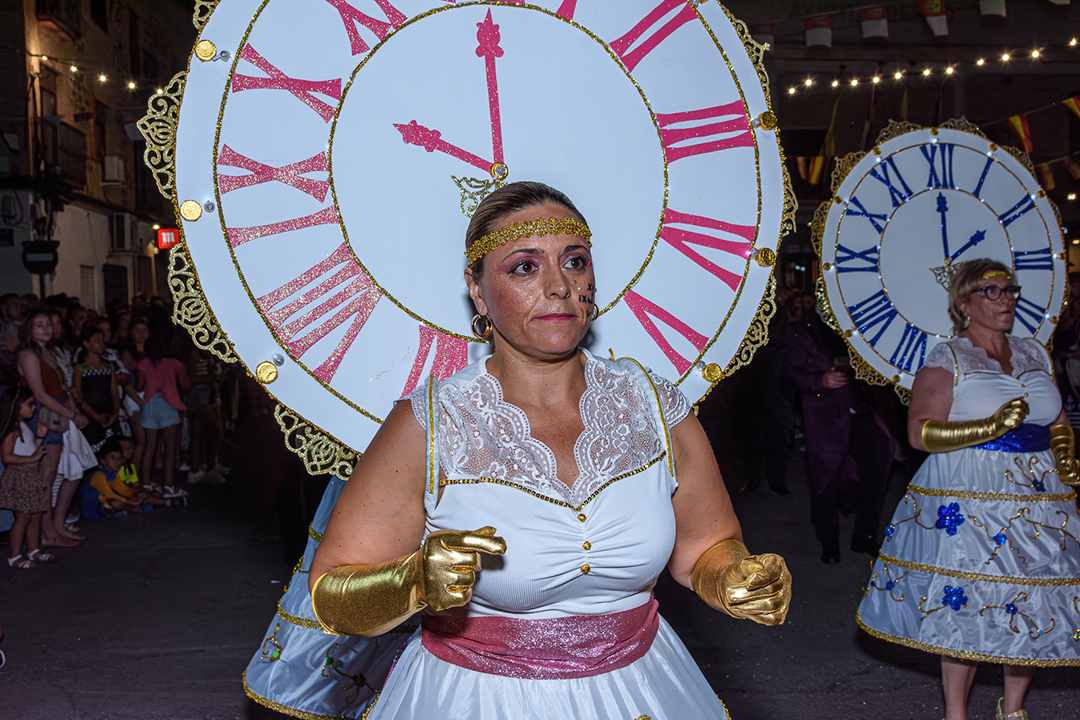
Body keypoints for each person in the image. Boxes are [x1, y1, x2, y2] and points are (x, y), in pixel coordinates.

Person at [307, 182, 792, 719]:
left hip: (643, 692)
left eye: (575, 261)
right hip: (475, 701)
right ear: (477, 288)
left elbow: (708, 545)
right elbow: (333, 592)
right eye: (524, 268)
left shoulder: (654, 406)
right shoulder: (430, 425)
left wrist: (734, 578)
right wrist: (414, 582)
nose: (560, 287)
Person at [857, 259, 1080, 720]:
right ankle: (956, 713)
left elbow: (1057, 419)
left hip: (1039, 494)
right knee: (968, 603)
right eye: (991, 291)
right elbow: (919, 433)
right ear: (964, 303)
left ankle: (1012, 708)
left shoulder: (1034, 352)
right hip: (971, 493)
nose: (1006, 298)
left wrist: (1067, 457)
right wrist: (989, 425)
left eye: (1009, 289)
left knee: (1034, 596)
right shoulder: (948, 358)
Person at [784, 297, 892, 563]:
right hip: (825, 419)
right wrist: (819, 380)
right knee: (825, 481)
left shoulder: (859, 324)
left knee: (880, 464)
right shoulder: (802, 330)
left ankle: (864, 535)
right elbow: (790, 373)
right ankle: (829, 541)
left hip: (862, 410)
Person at [15, 310, 86, 547]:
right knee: (46, 476)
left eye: (47, 324)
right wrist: (72, 414)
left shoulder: (50, 352)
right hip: (45, 416)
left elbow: (64, 388)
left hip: (57, 412)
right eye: (39, 325)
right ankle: (47, 533)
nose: (45, 329)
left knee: (54, 473)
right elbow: (39, 393)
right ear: (29, 329)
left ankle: (55, 526)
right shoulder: (28, 353)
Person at [0, 387, 53, 568]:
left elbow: (28, 449)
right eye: (29, 404)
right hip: (20, 477)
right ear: (16, 406)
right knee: (22, 516)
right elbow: (6, 457)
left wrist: (39, 438)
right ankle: (14, 556)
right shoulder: (11, 430)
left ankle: (33, 549)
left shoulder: (23, 427)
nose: (34, 408)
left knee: (35, 514)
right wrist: (31, 458)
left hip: (31, 476)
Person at [135, 331, 189, 497]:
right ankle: (169, 485)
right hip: (169, 403)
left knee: (150, 447)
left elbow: (138, 387)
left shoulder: (143, 364)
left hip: (150, 404)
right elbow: (186, 385)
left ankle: (146, 483)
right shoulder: (175, 363)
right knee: (170, 449)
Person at [81, 437, 164, 520]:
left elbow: (122, 489)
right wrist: (128, 501)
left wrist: (136, 494)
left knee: (144, 494)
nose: (117, 461)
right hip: (94, 509)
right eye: (112, 458)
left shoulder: (113, 473)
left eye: (119, 458)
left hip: (106, 503)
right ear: (102, 460)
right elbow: (109, 494)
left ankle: (166, 503)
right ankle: (139, 509)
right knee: (115, 503)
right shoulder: (98, 475)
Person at [74, 325, 120, 453]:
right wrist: (96, 416)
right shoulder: (80, 367)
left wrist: (115, 414)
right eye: (96, 340)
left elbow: (114, 393)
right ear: (86, 344)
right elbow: (78, 396)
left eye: (102, 339)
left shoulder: (108, 366)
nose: (101, 343)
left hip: (108, 415)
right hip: (90, 417)